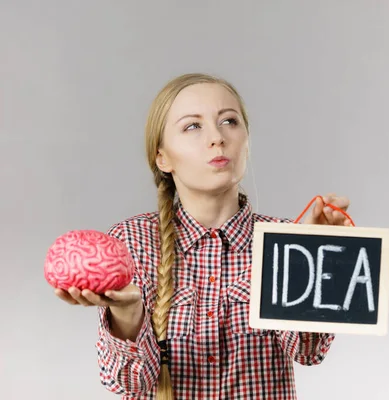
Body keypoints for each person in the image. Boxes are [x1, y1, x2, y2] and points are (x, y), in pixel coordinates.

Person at [54, 73, 353, 399]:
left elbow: (308, 352)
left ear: (247, 143)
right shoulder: (132, 241)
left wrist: (312, 256)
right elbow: (128, 384)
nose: (217, 137)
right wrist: (127, 315)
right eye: (192, 126)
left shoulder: (284, 241)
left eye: (229, 121)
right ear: (162, 157)